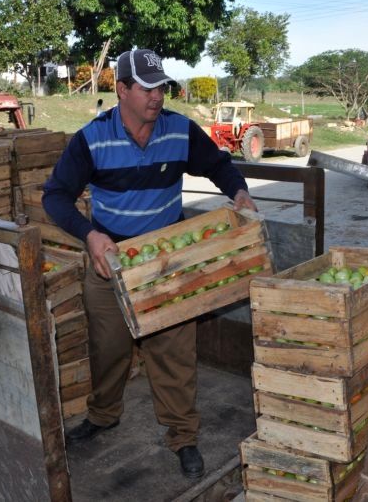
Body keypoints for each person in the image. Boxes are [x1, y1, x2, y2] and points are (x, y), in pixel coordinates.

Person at [42, 48, 257, 479]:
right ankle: (103, 415)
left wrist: (239, 191)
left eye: (160, 86)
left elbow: (218, 165)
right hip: (111, 262)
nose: (156, 96)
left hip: (165, 261)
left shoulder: (180, 131)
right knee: (108, 349)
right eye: (145, 87)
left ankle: (183, 435)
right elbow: (54, 197)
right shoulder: (92, 139)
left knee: (174, 350)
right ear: (121, 89)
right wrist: (90, 236)